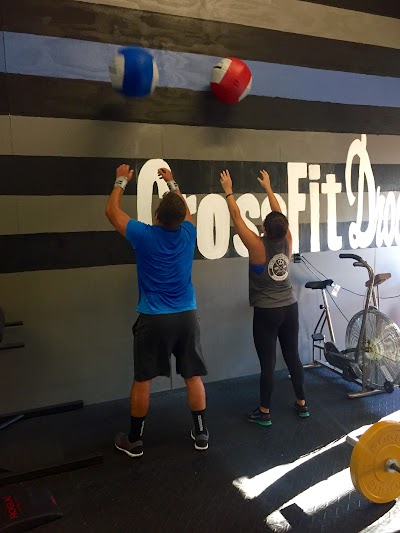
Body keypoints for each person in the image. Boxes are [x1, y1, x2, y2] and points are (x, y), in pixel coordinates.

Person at [105, 163, 208, 457]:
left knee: (143, 380)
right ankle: (201, 433)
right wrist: (172, 183)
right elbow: (185, 213)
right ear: (180, 218)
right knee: (193, 377)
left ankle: (134, 440)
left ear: (156, 217)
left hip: (154, 319)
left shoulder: (144, 235)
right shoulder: (188, 232)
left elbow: (112, 211)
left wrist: (121, 180)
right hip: (187, 317)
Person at [219, 168, 309, 426]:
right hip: (290, 307)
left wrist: (228, 190)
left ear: (263, 229)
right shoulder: (288, 239)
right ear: (284, 228)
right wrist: (269, 188)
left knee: (267, 363)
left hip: (267, 312)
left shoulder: (257, 246)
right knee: (292, 356)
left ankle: (264, 412)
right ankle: (302, 403)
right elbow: (280, 215)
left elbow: (236, 217)